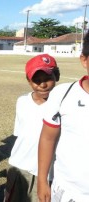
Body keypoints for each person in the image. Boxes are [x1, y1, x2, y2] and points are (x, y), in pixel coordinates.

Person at [37, 33, 89, 201]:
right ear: (84, 60)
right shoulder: (63, 94)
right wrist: (42, 179)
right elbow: (48, 138)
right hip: (68, 191)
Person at [4, 54, 60, 202]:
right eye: (36, 80)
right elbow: (20, 134)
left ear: (57, 76)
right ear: (29, 81)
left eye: (47, 78)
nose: (42, 85)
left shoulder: (62, 104)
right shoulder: (22, 101)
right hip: (18, 166)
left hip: (48, 172)